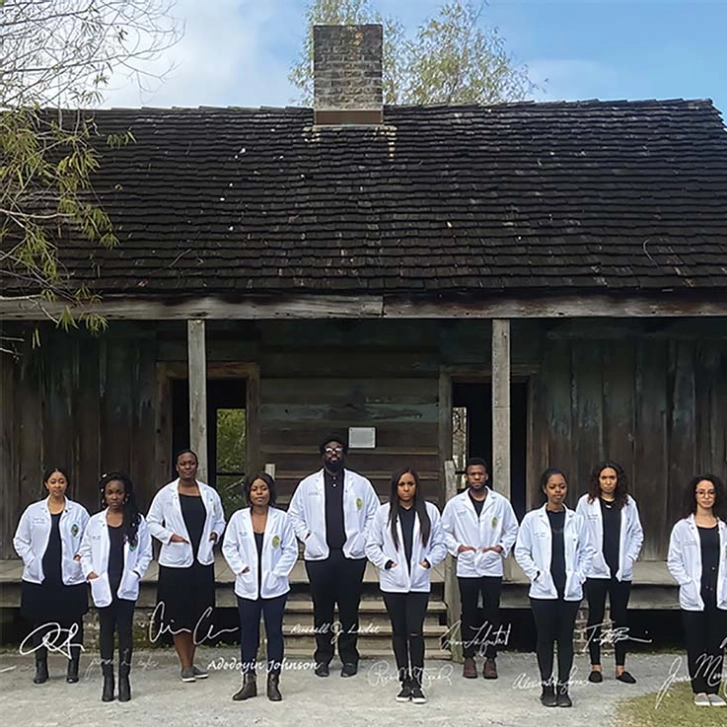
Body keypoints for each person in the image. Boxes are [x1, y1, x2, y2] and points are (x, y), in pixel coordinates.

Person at [288, 433, 379, 677]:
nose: (333, 453)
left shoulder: (360, 484)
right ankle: (323, 657)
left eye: (338, 449)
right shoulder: (308, 485)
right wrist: (307, 537)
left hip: (352, 556)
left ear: (344, 454)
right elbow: (294, 514)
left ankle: (349, 657)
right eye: (329, 450)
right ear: (323, 455)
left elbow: (374, 513)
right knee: (322, 609)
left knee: (349, 608)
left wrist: (363, 538)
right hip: (319, 556)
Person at [365, 468, 447, 704]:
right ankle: (405, 681)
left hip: (419, 582)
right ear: (395, 487)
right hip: (393, 582)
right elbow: (371, 545)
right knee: (399, 632)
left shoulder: (430, 511)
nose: (406, 489)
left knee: (415, 631)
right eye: (401, 484)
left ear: (416, 486)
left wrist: (426, 563)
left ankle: (418, 683)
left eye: (410, 484)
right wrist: (387, 563)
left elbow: (440, 544)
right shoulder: (384, 513)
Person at [514, 468, 594, 708]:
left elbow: (587, 551)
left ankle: (564, 687)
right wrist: (536, 574)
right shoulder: (532, 519)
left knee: (566, 639)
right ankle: (547, 687)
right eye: (553, 487)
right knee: (545, 639)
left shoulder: (577, 520)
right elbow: (521, 551)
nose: (558, 491)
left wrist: (579, 576)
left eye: (562, 486)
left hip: (569, 589)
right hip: (543, 590)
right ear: (544, 489)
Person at [147, 449, 226, 682]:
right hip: (176, 565)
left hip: (201, 561)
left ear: (196, 466)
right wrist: (169, 536)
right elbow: (151, 522)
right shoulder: (165, 494)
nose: (188, 467)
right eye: (183, 463)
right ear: (177, 467)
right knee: (178, 613)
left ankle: (191, 661)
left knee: (198, 613)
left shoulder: (209, 494)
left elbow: (220, 520)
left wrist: (215, 534)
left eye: (191, 463)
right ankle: (185, 665)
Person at [441, 457, 519, 680]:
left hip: (491, 565)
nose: (476, 477)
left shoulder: (500, 503)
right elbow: (444, 531)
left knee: (492, 612)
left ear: (486, 476)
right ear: (466, 477)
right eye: (472, 474)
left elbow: (512, 528)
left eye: (480, 474)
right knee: (469, 612)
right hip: (467, 564)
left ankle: (491, 658)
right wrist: (458, 547)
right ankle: (469, 657)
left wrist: (500, 547)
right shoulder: (456, 504)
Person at [222, 472, 297, 702]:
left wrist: (277, 573)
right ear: (248, 493)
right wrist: (241, 569)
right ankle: (249, 681)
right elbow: (229, 546)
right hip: (247, 586)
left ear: (270, 491)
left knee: (274, 633)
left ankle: (273, 681)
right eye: (254, 489)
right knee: (249, 634)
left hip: (275, 587)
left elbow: (290, 549)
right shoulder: (238, 518)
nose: (259, 493)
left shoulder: (282, 518)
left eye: (263, 488)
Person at [79, 472, 153, 702]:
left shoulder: (137, 521)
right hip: (103, 583)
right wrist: (90, 573)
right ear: (104, 495)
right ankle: (108, 679)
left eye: (119, 492)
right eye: (110, 492)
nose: (114, 497)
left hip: (125, 583)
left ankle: (124, 678)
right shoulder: (95, 521)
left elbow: (146, 553)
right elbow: (84, 551)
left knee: (125, 631)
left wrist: (136, 573)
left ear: (126, 494)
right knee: (106, 632)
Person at [13, 467, 90, 685]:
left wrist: (78, 560)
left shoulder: (78, 512)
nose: (58, 485)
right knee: (40, 621)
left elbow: (89, 539)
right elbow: (20, 540)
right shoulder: (33, 511)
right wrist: (31, 560)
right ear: (46, 484)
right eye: (53, 481)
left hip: (70, 575)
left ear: (67, 484)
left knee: (74, 621)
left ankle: (73, 666)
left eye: (62, 481)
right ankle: (41, 666)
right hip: (39, 575)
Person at [576, 460, 643, 684]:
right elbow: (579, 533)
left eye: (612, 478)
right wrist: (588, 560)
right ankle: (595, 666)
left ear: (618, 480)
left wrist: (629, 558)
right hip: (596, 570)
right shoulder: (586, 503)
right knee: (595, 616)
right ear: (597, 480)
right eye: (604, 478)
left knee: (620, 617)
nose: (608, 482)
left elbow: (637, 533)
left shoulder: (628, 503)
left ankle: (620, 668)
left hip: (621, 570)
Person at [667, 474, 727, 707]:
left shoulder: (723, 528)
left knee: (716, 643)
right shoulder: (683, 528)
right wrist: (687, 582)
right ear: (694, 496)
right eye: (701, 492)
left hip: (719, 594)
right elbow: (674, 560)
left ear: (716, 496)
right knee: (696, 642)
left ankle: (713, 688)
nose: (706, 497)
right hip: (695, 594)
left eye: (710, 492)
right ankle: (699, 689)